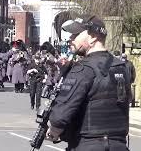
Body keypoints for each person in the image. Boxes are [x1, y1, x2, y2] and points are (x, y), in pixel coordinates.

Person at [47, 15, 131, 151]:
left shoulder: (83, 69)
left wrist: (53, 131)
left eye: (76, 34)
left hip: (88, 144)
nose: (70, 39)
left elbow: (60, 115)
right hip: (119, 145)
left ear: (92, 37)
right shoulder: (122, 67)